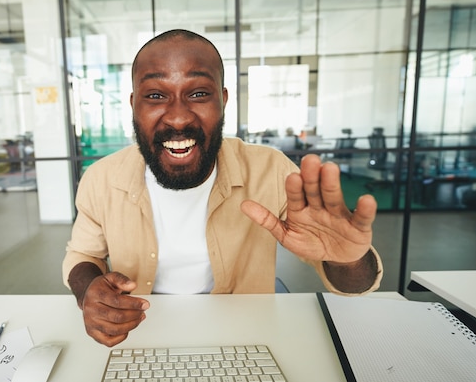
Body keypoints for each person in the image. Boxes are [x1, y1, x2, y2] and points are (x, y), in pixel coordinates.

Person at [62, 29, 383, 347]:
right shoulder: (102, 178)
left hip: (245, 334)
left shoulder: (272, 171)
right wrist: (90, 289)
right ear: (134, 105)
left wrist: (348, 261)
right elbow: (83, 254)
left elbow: (353, 281)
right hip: (140, 330)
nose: (177, 118)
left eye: (198, 93)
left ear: (223, 100)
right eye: (156, 96)